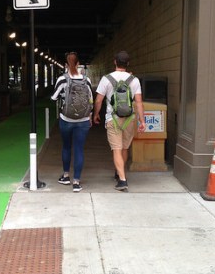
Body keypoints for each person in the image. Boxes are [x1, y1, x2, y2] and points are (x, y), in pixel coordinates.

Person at [93, 51, 145, 192]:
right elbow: (139, 102)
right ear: (128, 63)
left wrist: (95, 114)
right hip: (129, 119)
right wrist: (142, 120)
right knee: (124, 148)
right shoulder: (134, 80)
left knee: (116, 149)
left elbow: (98, 100)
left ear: (115, 61)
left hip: (112, 118)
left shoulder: (106, 79)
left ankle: (122, 180)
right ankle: (120, 172)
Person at [50, 52, 93, 192]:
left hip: (66, 119)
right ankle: (76, 182)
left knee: (67, 147)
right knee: (79, 149)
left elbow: (54, 98)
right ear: (78, 63)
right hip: (84, 120)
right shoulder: (87, 80)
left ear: (65, 64)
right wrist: (90, 116)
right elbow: (90, 100)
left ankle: (66, 176)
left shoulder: (62, 79)